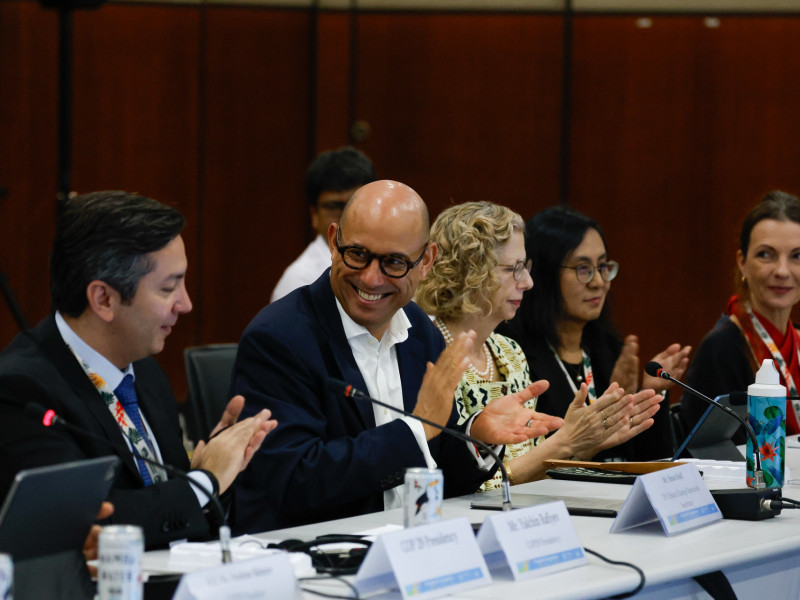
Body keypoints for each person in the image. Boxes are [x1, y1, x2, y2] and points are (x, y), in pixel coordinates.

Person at [231, 180, 563, 533]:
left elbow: (436, 467)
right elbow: (294, 479)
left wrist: (475, 438)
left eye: (394, 262)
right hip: (316, 556)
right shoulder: (280, 338)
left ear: (426, 261)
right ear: (333, 242)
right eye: (357, 254)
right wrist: (416, 427)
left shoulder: (418, 330)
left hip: (410, 544)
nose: (372, 279)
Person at [0, 191, 276, 549]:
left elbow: (174, 514)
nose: (186, 304)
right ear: (104, 299)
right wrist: (205, 481)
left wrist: (219, 471)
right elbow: (85, 525)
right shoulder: (22, 392)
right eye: (168, 288)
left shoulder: (144, 372)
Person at [415, 202, 663, 488]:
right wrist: (566, 442)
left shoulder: (509, 352)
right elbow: (465, 486)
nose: (529, 282)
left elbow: (531, 470)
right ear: (471, 272)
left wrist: (581, 444)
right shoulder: (430, 354)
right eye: (514, 269)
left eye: (526, 268)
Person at [499, 205, 691, 461]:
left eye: (602, 267)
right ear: (544, 274)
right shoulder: (513, 354)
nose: (598, 282)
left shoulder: (609, 351)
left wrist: (652, 395)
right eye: (582, 269)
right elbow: (526, 463)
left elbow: (652, 462)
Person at [682, 190, 800, 443]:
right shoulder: (722, 349)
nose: (782, 271)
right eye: (765, 254)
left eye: (797, 256)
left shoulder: (798, 340)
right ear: (742, 262)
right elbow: (712, 453)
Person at [270, 146, 377, 302]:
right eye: (334, 207)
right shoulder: (299, 282)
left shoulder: (396, 262)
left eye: (355, 205)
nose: (347, 217)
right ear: (314, 215)